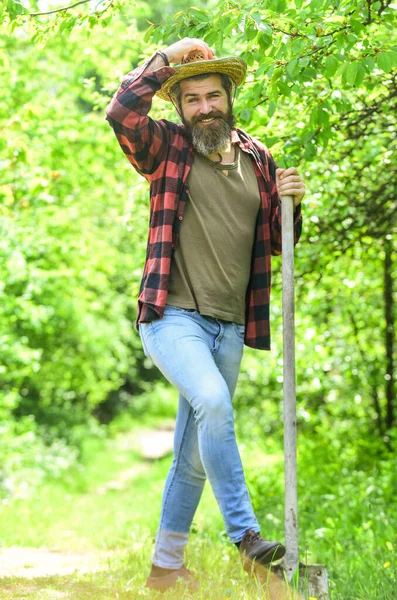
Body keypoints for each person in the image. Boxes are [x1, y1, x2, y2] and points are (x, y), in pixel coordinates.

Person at [106, 37, 305, 592]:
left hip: (232, 325)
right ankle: (247, 539)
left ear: (229, 96)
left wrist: (293, 203)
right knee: (214, 402)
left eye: (212, 96)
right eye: (190, 100)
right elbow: (121, 112)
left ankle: (165, 569)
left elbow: (276, 244)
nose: (204, 108)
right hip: (171, 317)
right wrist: (167, 56)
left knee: (194, 453)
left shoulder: (258, 159)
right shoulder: (166, 148)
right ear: (179, 107)